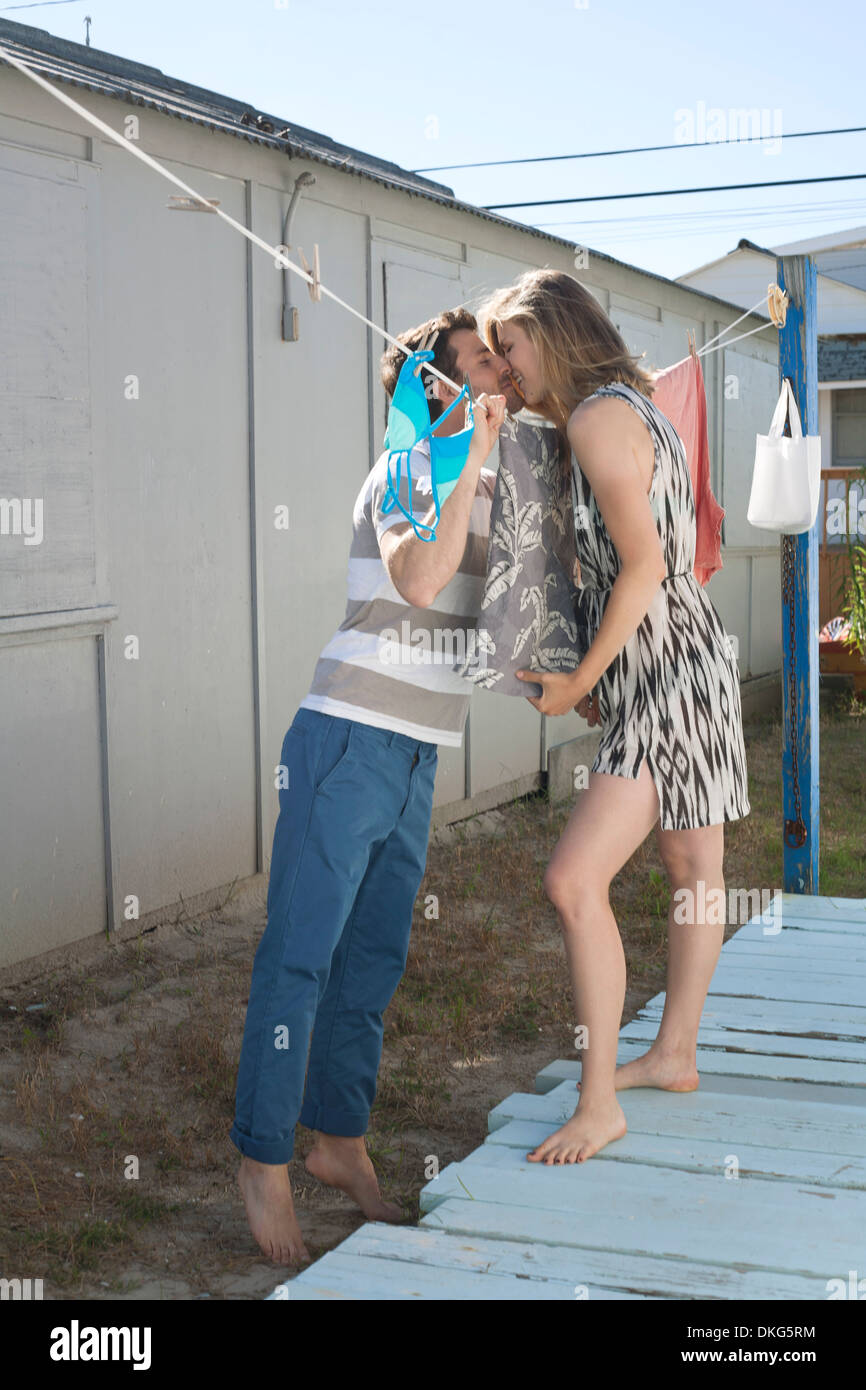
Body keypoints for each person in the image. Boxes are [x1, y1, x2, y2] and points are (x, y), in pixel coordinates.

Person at [231, 308, 519, 1265]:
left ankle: (336, 1142)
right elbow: (424, 583)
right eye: (485, 364)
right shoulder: (408, 471)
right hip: (348, 737)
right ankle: (262, 1161)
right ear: (435, 384)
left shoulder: (490, 486)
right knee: (301, 958)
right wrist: (468, 457)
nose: (502, 381)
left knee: (371, 966)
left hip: (416, 751)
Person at [480, 269, 750, 1165]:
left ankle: (600, 1104)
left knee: (573, 880)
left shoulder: (597, 421)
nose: (503, 366)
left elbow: (641, 567)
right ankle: (675, 1054)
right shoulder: (627, 408)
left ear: (552, 334)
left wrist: (573, 683)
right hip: (685, 659)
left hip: (666, 672)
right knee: (693, 863)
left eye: (509, 348)